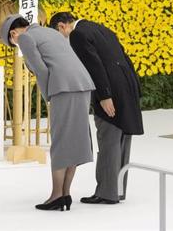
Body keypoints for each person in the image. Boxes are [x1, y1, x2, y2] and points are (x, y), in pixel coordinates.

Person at [0, 15, 95, 211]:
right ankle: (65, 194)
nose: (16, 44)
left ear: (13, 33)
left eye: (12, 43)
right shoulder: (51, 32)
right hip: (82, 84)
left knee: (61, 140)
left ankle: (56, 195)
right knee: (75, 140)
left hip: (63, 87)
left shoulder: (25, 38)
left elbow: (41, 70)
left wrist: (48, 95)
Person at [50, 11, 143, 204]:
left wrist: (105, 96)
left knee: (109, 139)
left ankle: (107, 194)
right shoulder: (100, 28)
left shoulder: (77, 34)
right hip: (127, 86)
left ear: (61, 26)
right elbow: (125, 58)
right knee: (122, 139)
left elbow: (94, 66)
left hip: (111, 90)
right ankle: (118, 190)